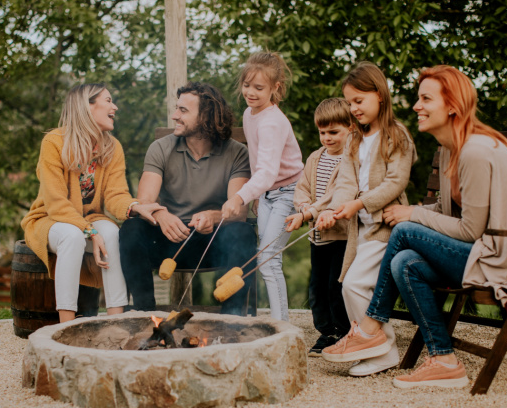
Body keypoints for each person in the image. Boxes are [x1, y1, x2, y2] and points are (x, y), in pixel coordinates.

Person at [320, 65, 507, 388]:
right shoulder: (451, 148)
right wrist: (413, 211)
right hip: (480, 252)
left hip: (504, 257)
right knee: (403, 263)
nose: (416, 106)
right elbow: (446, 212)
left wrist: (411, 215)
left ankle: (369, 328)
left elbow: (470, 231)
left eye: (425, 98)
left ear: (452, 106)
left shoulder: (475, 151)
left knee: (405, 231)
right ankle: (444, 359)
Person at [21, 84, 163, 323]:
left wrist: (135, 207)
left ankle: (115, 321)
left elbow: (116, 195)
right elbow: (56, 203)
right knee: (73, 236)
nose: (114, 107)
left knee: (113, 234)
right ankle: (66, 324)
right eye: (108, 100)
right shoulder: (54, 142)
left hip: (90, 219)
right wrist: (89, 231)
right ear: (87, 106)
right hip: (51, 220)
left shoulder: (112, 147)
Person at [119, 82, 256, 315]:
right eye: (177, 109)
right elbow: (144, 202)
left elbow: (239, 211)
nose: (175, 116)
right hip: (168, 240)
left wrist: (212, 216)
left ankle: (233, 321)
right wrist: (161, 215)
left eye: (183, 111)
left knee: (242, 233)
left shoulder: (237, 153)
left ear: (206, 115)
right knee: (131, 229)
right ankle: (143, 316)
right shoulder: (160, 148)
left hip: (212, 241)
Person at [317, 62, 416, 376]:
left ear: (380, 96)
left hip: (386, 227)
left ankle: (380, 349)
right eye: (349, 102)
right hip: (361, 228)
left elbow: (395, 183)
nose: (353, 108)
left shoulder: (396, 135)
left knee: (355, 285)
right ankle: (381, 348)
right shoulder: (354, 139)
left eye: (359, 100)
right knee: (353, 284)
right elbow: (345, 182)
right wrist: (334, 210)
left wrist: (359, 203)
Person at [221, 52, 304, 321]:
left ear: (275, 88)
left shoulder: (272, 122)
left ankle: (283, 327)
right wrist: (258, 195)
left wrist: (239, 197)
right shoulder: (249, 114)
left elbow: (268, 173)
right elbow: (260, 162)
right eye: (247, 85)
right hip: (268, 194)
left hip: (288, 193)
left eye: (259, 88)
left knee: (269, 259)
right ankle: (280, 322)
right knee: (263, 258)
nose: (251, 92)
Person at [285, 98, 354, 356]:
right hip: (318, 235)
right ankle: (325, 331)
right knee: (317, 286)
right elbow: (302, 188)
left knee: (336, 285)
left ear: (351, 129)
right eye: (322, 132)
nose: (327, 138)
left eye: (334, 132)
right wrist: (304, 208)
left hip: (341, 235)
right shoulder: (316, 157)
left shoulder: (350, 160)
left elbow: (335, 196)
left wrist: (319, 211)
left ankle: (343, 330)